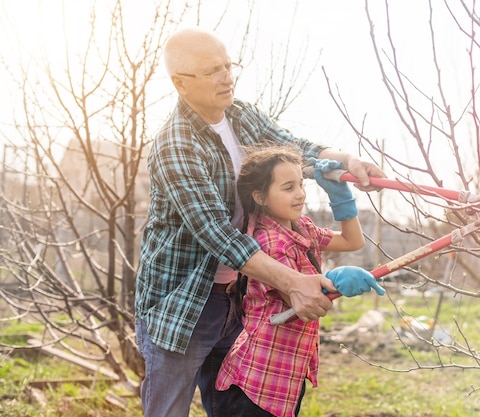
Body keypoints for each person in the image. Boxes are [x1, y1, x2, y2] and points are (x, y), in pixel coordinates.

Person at [133, 26, 386, 417]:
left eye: (227, 66)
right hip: (183, 302)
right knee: (167, 410)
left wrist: (344, 162)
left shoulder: (240, 115)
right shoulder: (176, 143)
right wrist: (293, 282)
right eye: (212, 71)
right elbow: (216, 233)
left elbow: (292, 149)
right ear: (181, 84)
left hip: (240, 295)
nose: (226, 77)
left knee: (234, 406)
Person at [215, 146, 386, 417]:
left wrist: (340, 198)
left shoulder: (302, 228)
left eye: (300, 184)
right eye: (288, 187)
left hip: (285, 375)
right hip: (259, 381)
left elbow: (353, 241)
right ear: (260, 196)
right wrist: (335, 281)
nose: (299, 194)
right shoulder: (269, 241)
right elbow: (297, 297)